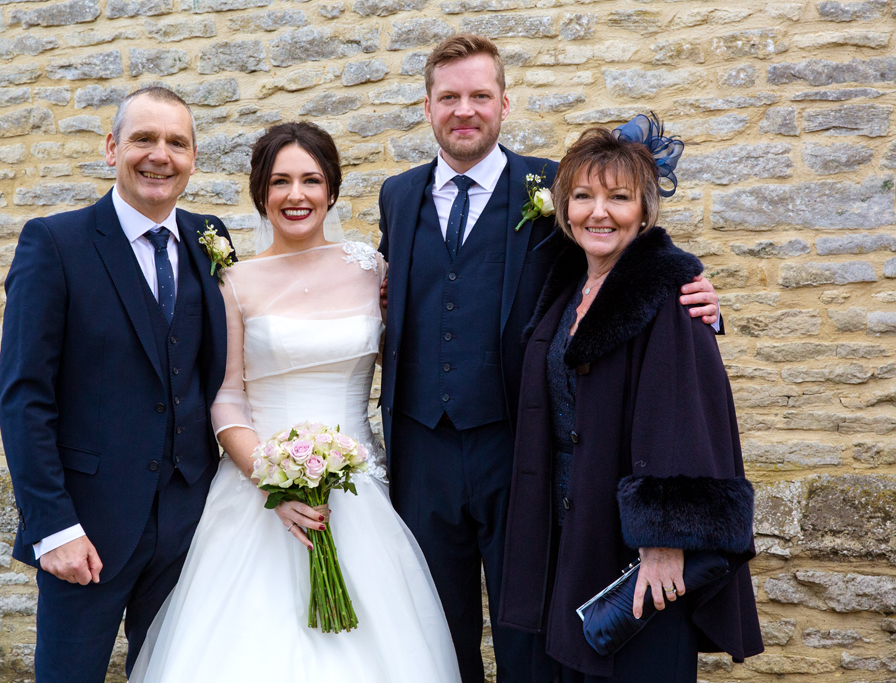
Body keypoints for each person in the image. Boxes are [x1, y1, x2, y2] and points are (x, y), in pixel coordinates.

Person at [376, 33, 723, 683]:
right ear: (427, 107)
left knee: (528, 629)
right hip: (421, 450)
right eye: (449, 97)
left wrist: (695, 294)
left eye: (480, 96)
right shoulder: (397, 195)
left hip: (518, 448)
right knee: (431, 627)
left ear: (503, 104)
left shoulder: (551, 184)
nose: (464, 110)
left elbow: (622, 247)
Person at [126, 121, 461, 683]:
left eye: (311, 180)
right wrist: (274, 482)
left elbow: (410, 357)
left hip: (358, 491)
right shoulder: (234, 282)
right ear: (261, 193)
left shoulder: (373, 270)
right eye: (280, 181)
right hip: (259, 491)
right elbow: (226, 398)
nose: (296, 195)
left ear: (332, 189)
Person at [498, 117, 763, 682]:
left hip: (636, 552)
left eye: (618, 198)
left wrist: (664, 540)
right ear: (565, 209)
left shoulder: (671, 295)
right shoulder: (566, 290)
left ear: (644, 211)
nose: (599, 212)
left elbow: (685, 421)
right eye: (583, 196)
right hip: (571, 533)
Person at [0, 86, 234, 683]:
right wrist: (53, 528)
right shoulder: (55, 243)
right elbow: (24, 398)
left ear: (193, 157)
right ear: (111, 148)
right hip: (87, 528)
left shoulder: (211, 237)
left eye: (176, 143)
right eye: (143, 139)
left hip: (190, 523)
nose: (160, 155)